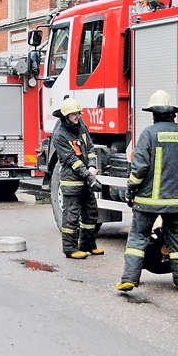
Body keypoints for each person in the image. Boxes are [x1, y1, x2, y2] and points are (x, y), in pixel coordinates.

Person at [117, 90, 178, 293]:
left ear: (153, 113)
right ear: (172, 113)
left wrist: (130, 189)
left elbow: (139, 168)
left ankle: (129, 280)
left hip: (147, 201)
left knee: (137, 239)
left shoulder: (148, 134)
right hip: (175, 202)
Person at [51, 98, 103, 259]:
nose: (77, 116)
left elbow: (91, 149)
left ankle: (88, 245)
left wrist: (93, 165)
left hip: (86, 178)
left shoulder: (81, 128)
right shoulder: (59, 135)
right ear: (66, 116)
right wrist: (89, 175)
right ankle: (70, 249)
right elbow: (72, 160)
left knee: (91, 213)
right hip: (71, 180)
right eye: (74, 114)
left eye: (78, 113)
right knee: (71, 216)